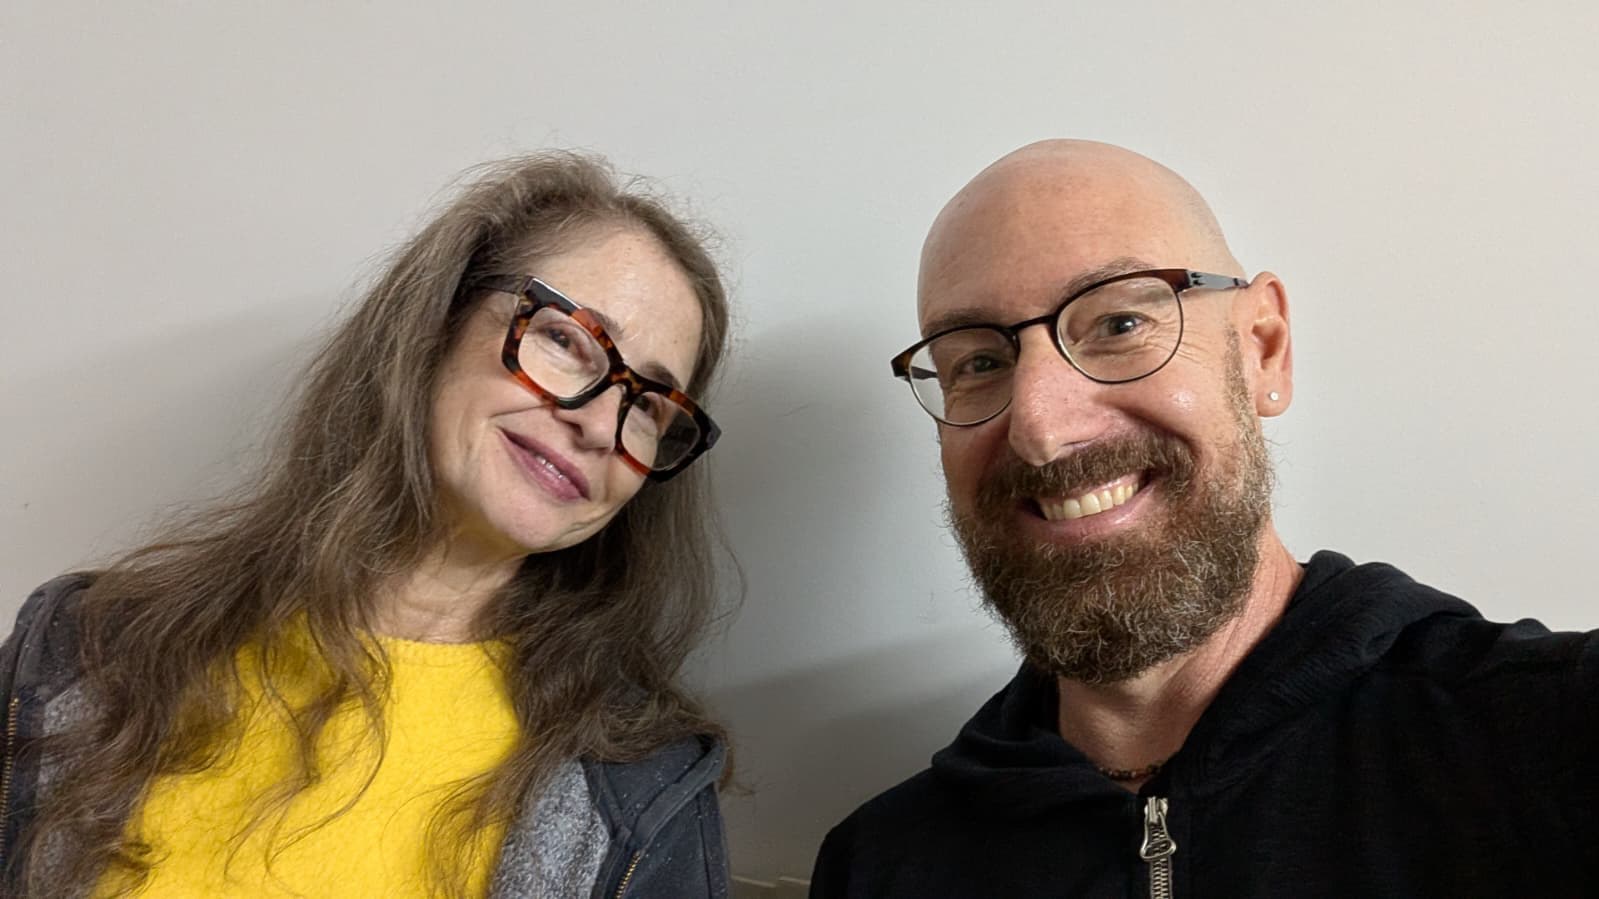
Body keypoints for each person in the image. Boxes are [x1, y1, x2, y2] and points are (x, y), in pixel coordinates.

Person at [809, 140, 1599, 898]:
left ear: (1263, 349)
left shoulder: (1551, 735)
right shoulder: (881, 864)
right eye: (978, 361)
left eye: (1119, 323)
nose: (1042, 429)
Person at [0, 152, 735, 898]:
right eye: (567, 340)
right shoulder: (84, 647)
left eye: (648, 406)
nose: (599, 423)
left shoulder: (645, 789)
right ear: (435, 324)